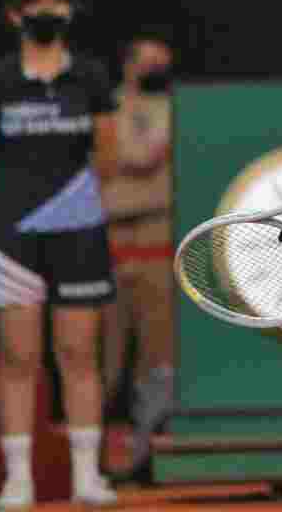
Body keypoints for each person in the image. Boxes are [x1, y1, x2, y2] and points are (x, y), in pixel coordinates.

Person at [0, 0, 118, 508]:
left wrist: (68, 206)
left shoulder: (92, 79)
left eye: (57, 1)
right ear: (14, 14)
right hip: (13, 236)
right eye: (36, 2)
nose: (47, 11)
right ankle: (18, 481)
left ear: (70, 12)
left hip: (79, 230)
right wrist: (16, 206)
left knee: (78, 351)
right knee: (17, 354)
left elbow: (109, 155)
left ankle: (86, 478)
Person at [100, 30, 176, 481]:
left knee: (156, 361)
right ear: (129, 63)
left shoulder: (175, 108)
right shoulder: (105, 107)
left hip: (157, 245)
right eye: (150, 62)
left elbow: (142, 157)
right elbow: (117, 156)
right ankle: (93, 462)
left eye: (163, 63)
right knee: (101, 363)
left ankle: (148, 456)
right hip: (108, 248)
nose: (157, 71)